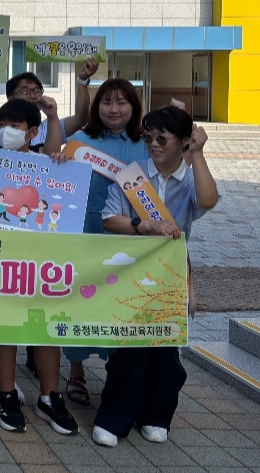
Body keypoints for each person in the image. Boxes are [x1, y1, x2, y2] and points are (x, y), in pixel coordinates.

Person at [92, 107, 218, 448]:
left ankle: (156, 415)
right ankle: (113, 417)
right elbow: (109, 219)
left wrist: (199, 153)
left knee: (166, 353)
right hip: (132, 271)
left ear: (182, 141)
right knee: (130, 348)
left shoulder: (192, 177)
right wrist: (143, 225)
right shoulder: (133, 176)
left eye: (162, 138)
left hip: (171, 275)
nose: (154, 144)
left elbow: (208, 200)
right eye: (149, 137)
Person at [0, 99, 78, 436]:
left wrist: (62, 166)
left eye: (15, 126)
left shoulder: (49, 164)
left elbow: (64, 199)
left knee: (45, 327)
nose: (7, 131)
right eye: (3, 124)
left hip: (43, 263)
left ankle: (49, 395)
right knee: (4, 325)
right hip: (0, 261)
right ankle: (7, 394)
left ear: (32, 131)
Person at [61, 78, 149, 404]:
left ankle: (120, 372)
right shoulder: (80, 141)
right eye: (106, 102)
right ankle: (76, 371)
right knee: (79, 300)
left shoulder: (145, 143)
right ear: (97, 108)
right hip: (85, 231)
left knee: (121, 301)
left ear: (133, 106)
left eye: (121, 102)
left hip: (129, 236)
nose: (113, 109)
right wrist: (59, 160)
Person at [5, 58, 97, 151]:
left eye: (37, 91)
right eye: (25, 91)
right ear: (10, 97)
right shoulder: (2, 128)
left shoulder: (50, 127)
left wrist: (82, 80)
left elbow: (80, 119)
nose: (32, 95)